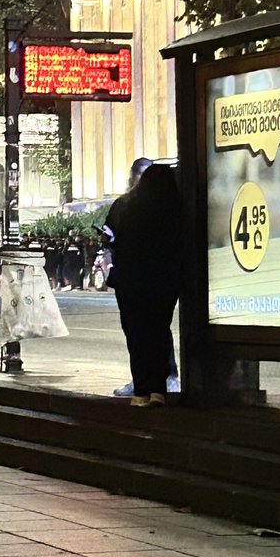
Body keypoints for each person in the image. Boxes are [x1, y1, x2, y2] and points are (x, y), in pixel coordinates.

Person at [108, 164, 182, 406]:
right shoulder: (175, 208)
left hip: (130, 282)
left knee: (137, 336)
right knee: (159, 333)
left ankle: (141, 389)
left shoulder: (125, 206)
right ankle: (158, 391)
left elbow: (111, 238)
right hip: (163, 282)